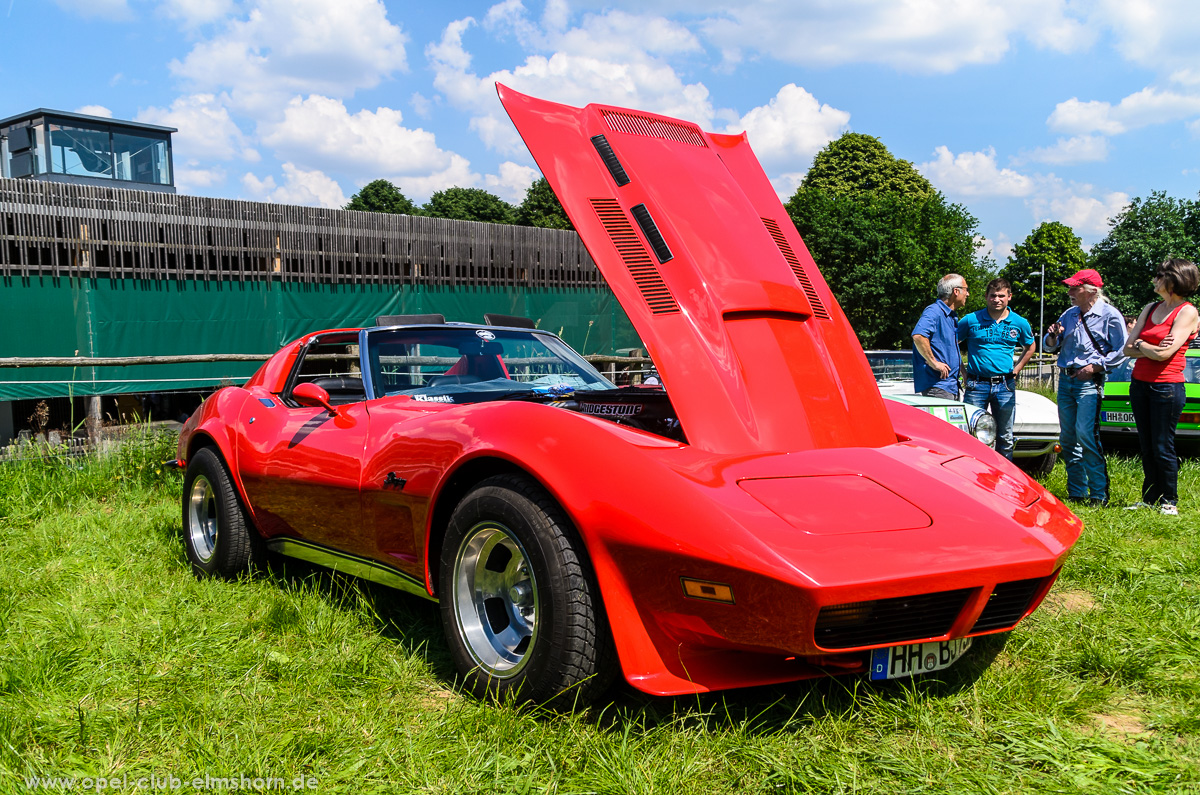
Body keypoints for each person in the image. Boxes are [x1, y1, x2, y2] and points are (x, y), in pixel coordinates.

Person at [1121, 258, 1200, 516]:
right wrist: (1148, 347)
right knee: (1146, 444)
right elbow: (1126, 348)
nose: (1154, 280)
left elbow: (1164, 355)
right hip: (1140, 383)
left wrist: (1142, 345)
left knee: (1162, 445)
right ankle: (1150, 497)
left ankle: (1169, 500)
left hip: (1166, 387)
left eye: (1159, 276)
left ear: (1173, 280)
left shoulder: (1187, 311)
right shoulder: (1150, 307)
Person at [1043, 269, 1128, 506]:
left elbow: (1122, 350)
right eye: (1069, 287)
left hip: (1089, 383)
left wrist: (1097, 367)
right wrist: (1051, 337)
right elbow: (1050, 347)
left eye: (1074, 288)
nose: (1069, 292)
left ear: (1091, 290)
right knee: (1068, 438)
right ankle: (1076, 492)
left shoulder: (1110, 315)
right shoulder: (1069, 315)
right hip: (1066, 381)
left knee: (1086, 435)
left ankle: (1099, 494)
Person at [957, 278, 1036, 460]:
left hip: (1005, 386)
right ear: (986, 297)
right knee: (972, 434)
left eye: (1001, 296)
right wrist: (963, 372)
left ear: (1009, 297)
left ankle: (1002, 480)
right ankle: (973, 476)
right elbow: (952, 343)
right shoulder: (971, 320)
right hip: (976, 384)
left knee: (1005, 436)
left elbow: (1030, 346)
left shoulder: (1019, 322)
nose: (997, 299)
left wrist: (1017, 370)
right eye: (993, 295)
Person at [912, 274, 969, 400]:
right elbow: (918, 336)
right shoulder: (934, 311)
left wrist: (963, 371)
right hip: (938, 387)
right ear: (956, 291)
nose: (968, 294)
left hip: (949, 386)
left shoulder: (949, 316)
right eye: (966, 289)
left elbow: (951, 348)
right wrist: (934, 363)